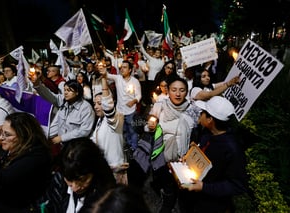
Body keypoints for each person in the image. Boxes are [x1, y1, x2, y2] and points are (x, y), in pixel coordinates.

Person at [0, 112, 52, 213]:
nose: (0, 138)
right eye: (1, 133)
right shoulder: (15, 148)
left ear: (24, 135)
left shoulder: (35, 157)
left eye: (7, 135)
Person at [177, 96, 248, 213]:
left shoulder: (232, 149)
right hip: (191, 198)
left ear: (210, 119)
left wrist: (204, 187)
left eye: (203, 112)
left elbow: (238, 185)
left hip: (209, 205)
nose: (200, 114)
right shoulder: (207, 133)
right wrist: (190, 156)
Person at [149, 75, 200, 213]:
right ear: (168, 90)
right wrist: (150, 126)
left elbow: (196, 136)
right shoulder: (160, 106)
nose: (178, 94)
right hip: (163, 159)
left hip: (183, 162)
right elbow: (148, 126)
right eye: (174, 89)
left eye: (182, 90)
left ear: (186, 92)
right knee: (169, 193)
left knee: (185, 198)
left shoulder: (193, 110)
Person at [30, 72, 95, 149]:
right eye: (65, 90)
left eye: (69, 90)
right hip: (63, 147)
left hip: (77, 147)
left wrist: (62, 138)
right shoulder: (63, 101)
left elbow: (84, 130)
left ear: (77, 92)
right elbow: (49, 95)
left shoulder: (86, 108)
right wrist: (37, 84)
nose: (66, 93)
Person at [60, 137, 117, 213]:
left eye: (82, 180)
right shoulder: (58, 182)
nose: (75, 188)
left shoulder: (106, 195)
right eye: (69, 180)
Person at [91, 66, 126, 183]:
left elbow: (108, 106)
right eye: (94, 103)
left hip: (115, 171)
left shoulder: (115, 119)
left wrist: (104, 80)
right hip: (104, 169)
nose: (96, 107)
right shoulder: (100, 121)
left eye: (99, 103)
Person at [105, 60, 142, 151]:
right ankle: (126, 147)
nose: (122, 69)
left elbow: (139, 95)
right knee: (123, 130)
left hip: (131, 111)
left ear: (130, 70)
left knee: (132, 131)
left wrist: (133, 101)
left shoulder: (135, 81)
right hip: (120, 111)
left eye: (125, 67)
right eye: (121, 67)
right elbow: (106, 75)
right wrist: (102, 68)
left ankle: (134, 149)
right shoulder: (118, 78)